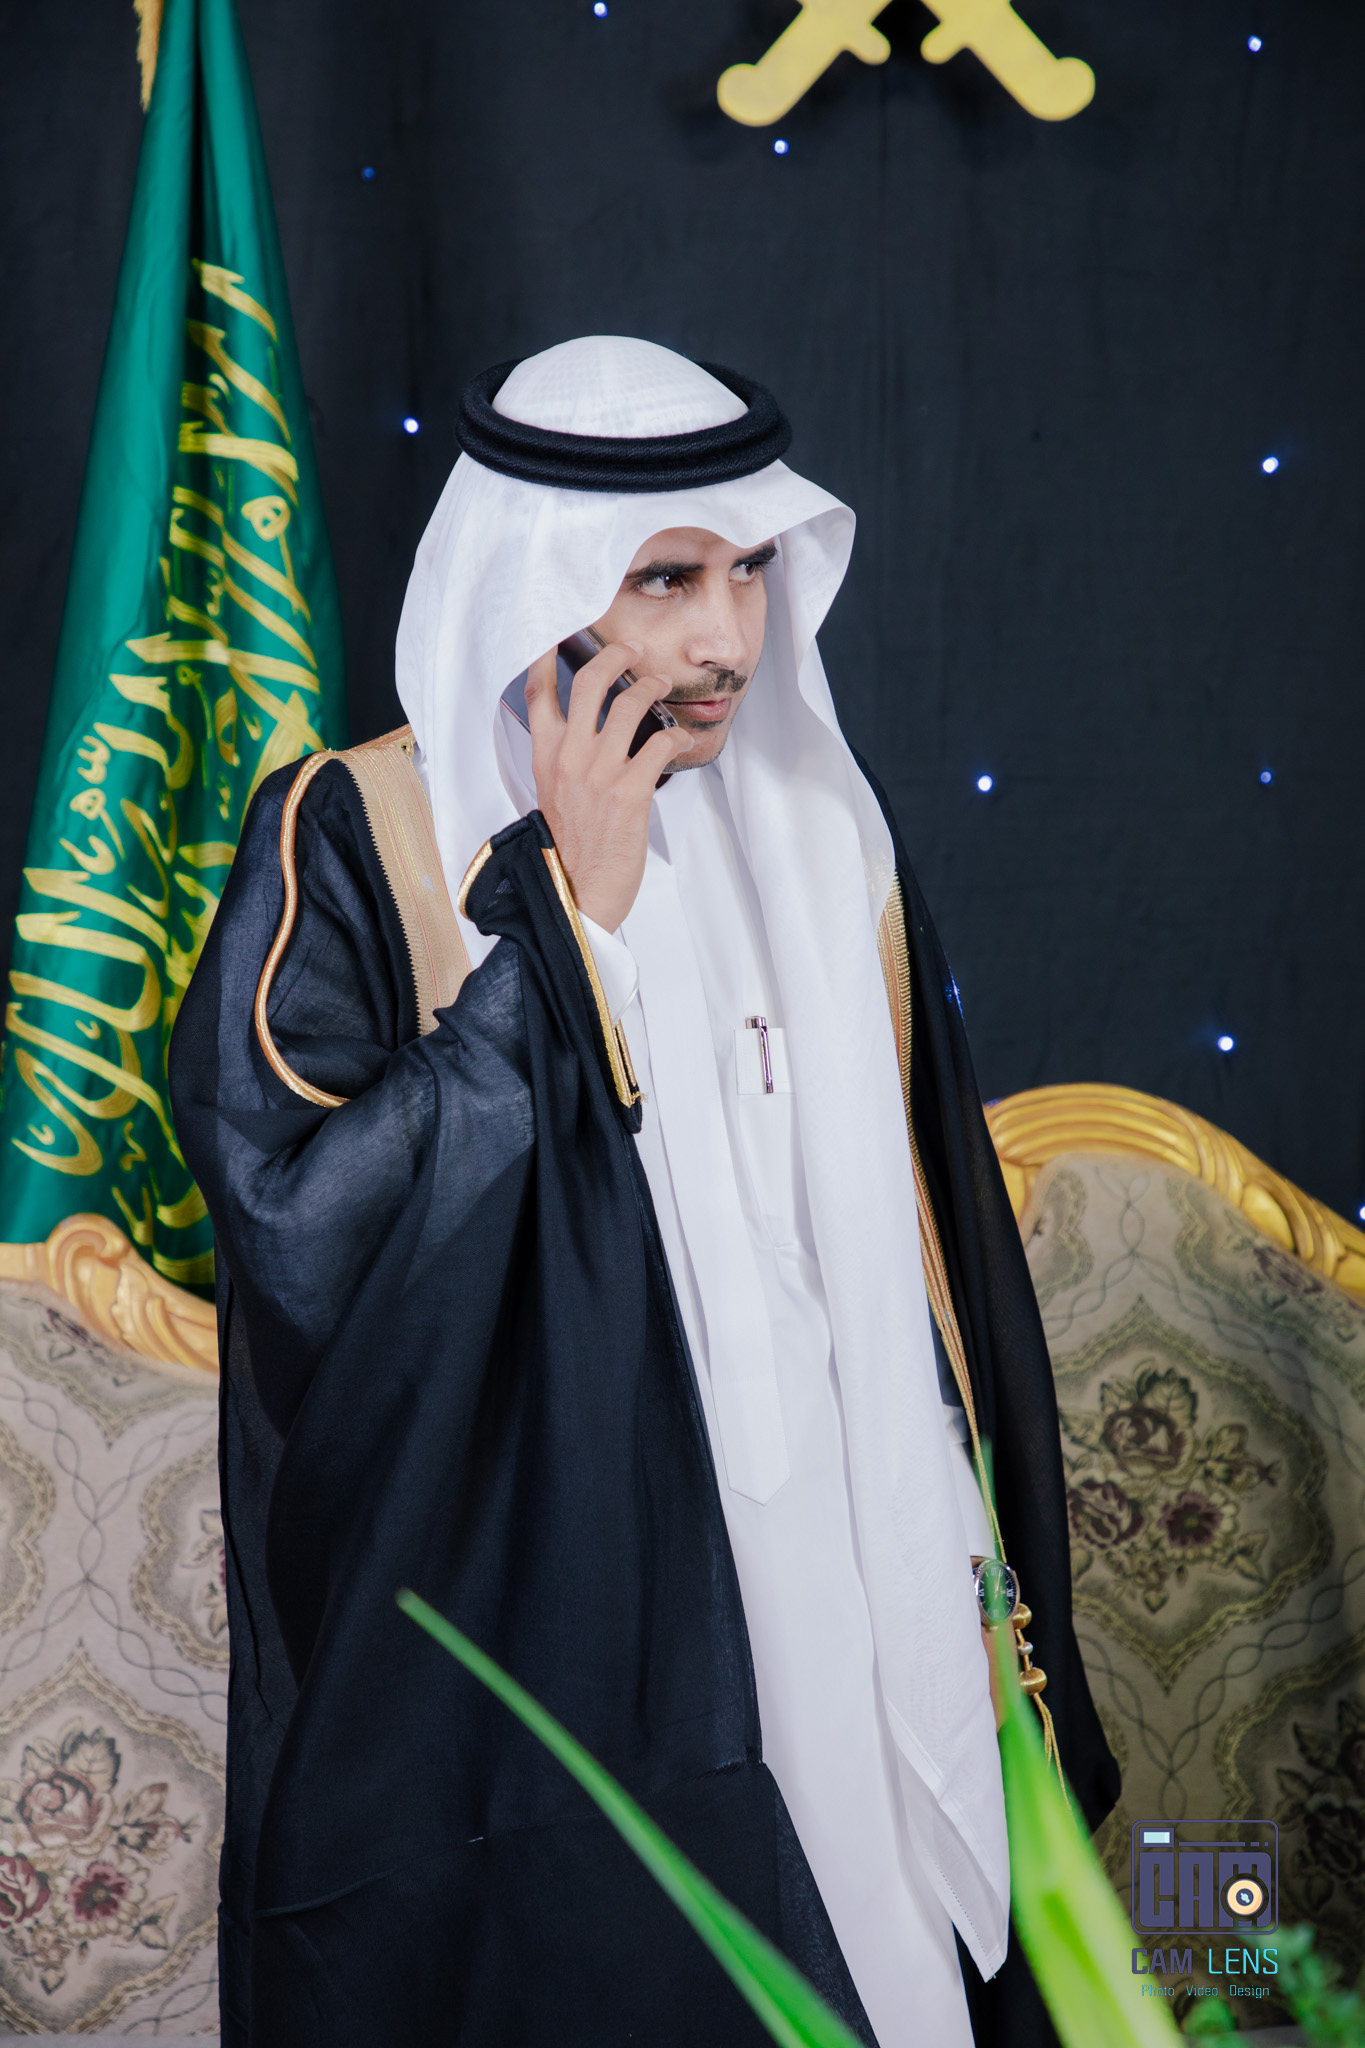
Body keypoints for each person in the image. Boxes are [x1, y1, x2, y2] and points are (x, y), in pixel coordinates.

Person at [170, 336, 1116, 2048]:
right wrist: (569, 924)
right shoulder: (360, 834)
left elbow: (920, 1248)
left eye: (746, 570)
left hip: (859, 1547)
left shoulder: (822, 829)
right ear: (530, 582)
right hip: (577, 1595)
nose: (727, 638)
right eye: (665, 580)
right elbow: (303, 1235)